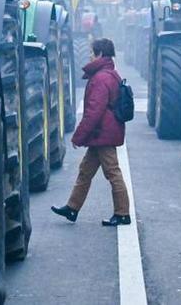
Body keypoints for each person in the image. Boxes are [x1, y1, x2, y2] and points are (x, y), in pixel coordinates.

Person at [51, 38, 131, 226]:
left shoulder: (101, 78)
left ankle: (122, 214)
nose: (89, 55)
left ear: (100, 54)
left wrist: (79, 136)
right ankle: (72, 208)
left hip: (103, 133)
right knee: (85, 171)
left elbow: (94, 112)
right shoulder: (109, 73)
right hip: (103, 133)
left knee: (112, 172)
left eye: (92, 52)